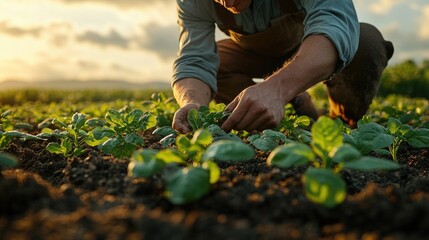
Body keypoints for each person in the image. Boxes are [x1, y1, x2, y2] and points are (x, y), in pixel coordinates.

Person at [171, 0, 394, 133]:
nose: (228, 3)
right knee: (216, 65)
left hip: (308, 49)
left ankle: (341, 123)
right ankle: (280, 113)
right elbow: (194, 59)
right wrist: (193, 102)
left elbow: (334, 26)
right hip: (253, 55)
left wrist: (277, 89)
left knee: (366, 44)